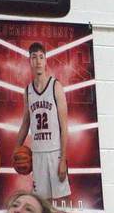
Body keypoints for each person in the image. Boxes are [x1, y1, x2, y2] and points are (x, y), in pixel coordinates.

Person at [14, 42, 71, 202]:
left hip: (55, 153)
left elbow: (64, 127)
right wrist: (16, 149)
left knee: (61, 202)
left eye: (41, 57)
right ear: (30, 61)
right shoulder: (28, 91)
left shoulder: (56, 87)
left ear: (45, 61)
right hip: (37, 154)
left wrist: (63, 159)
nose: (38, 61)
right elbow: (25, 123)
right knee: (41, 203)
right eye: (34, 57)